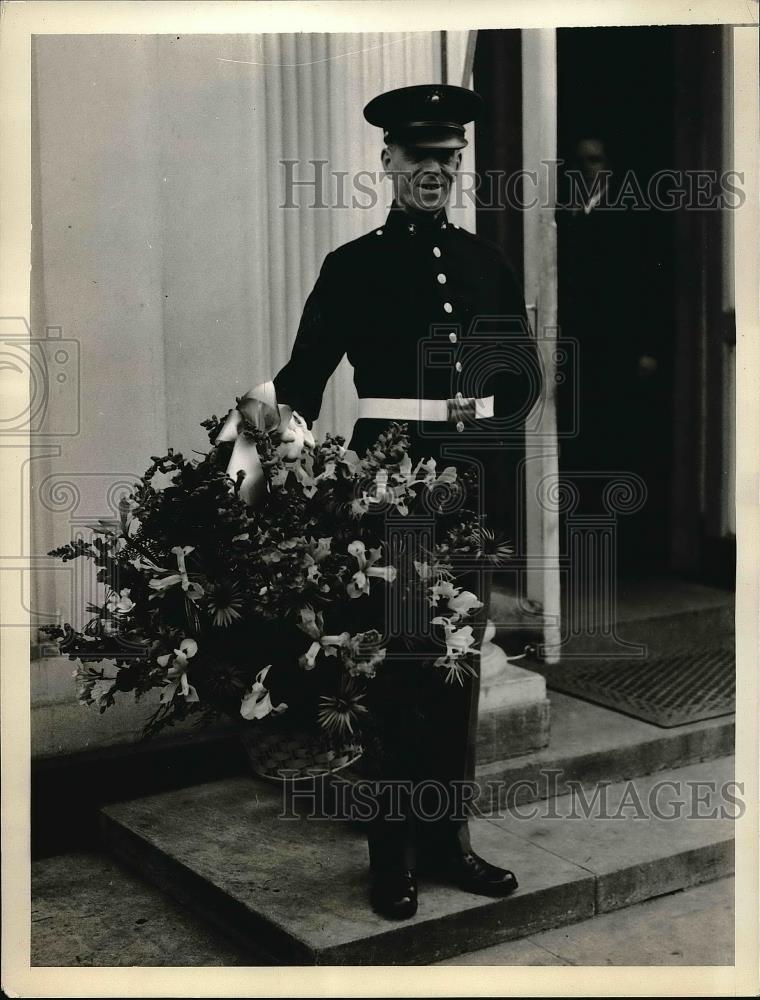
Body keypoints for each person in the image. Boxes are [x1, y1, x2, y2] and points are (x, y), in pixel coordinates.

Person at [272, 84, 541, 919]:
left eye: (449, 159)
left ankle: (448, 842)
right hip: (384, 489)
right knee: (394, 673)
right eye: (421, 157)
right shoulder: (353, 267)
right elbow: (301, 384)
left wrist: (484, 431)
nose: (437, 171)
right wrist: (269, 440)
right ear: (387, 162)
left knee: (455, 671)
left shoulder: (486, 262)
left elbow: (524, 378)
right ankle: (392, 856)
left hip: (463, 489)